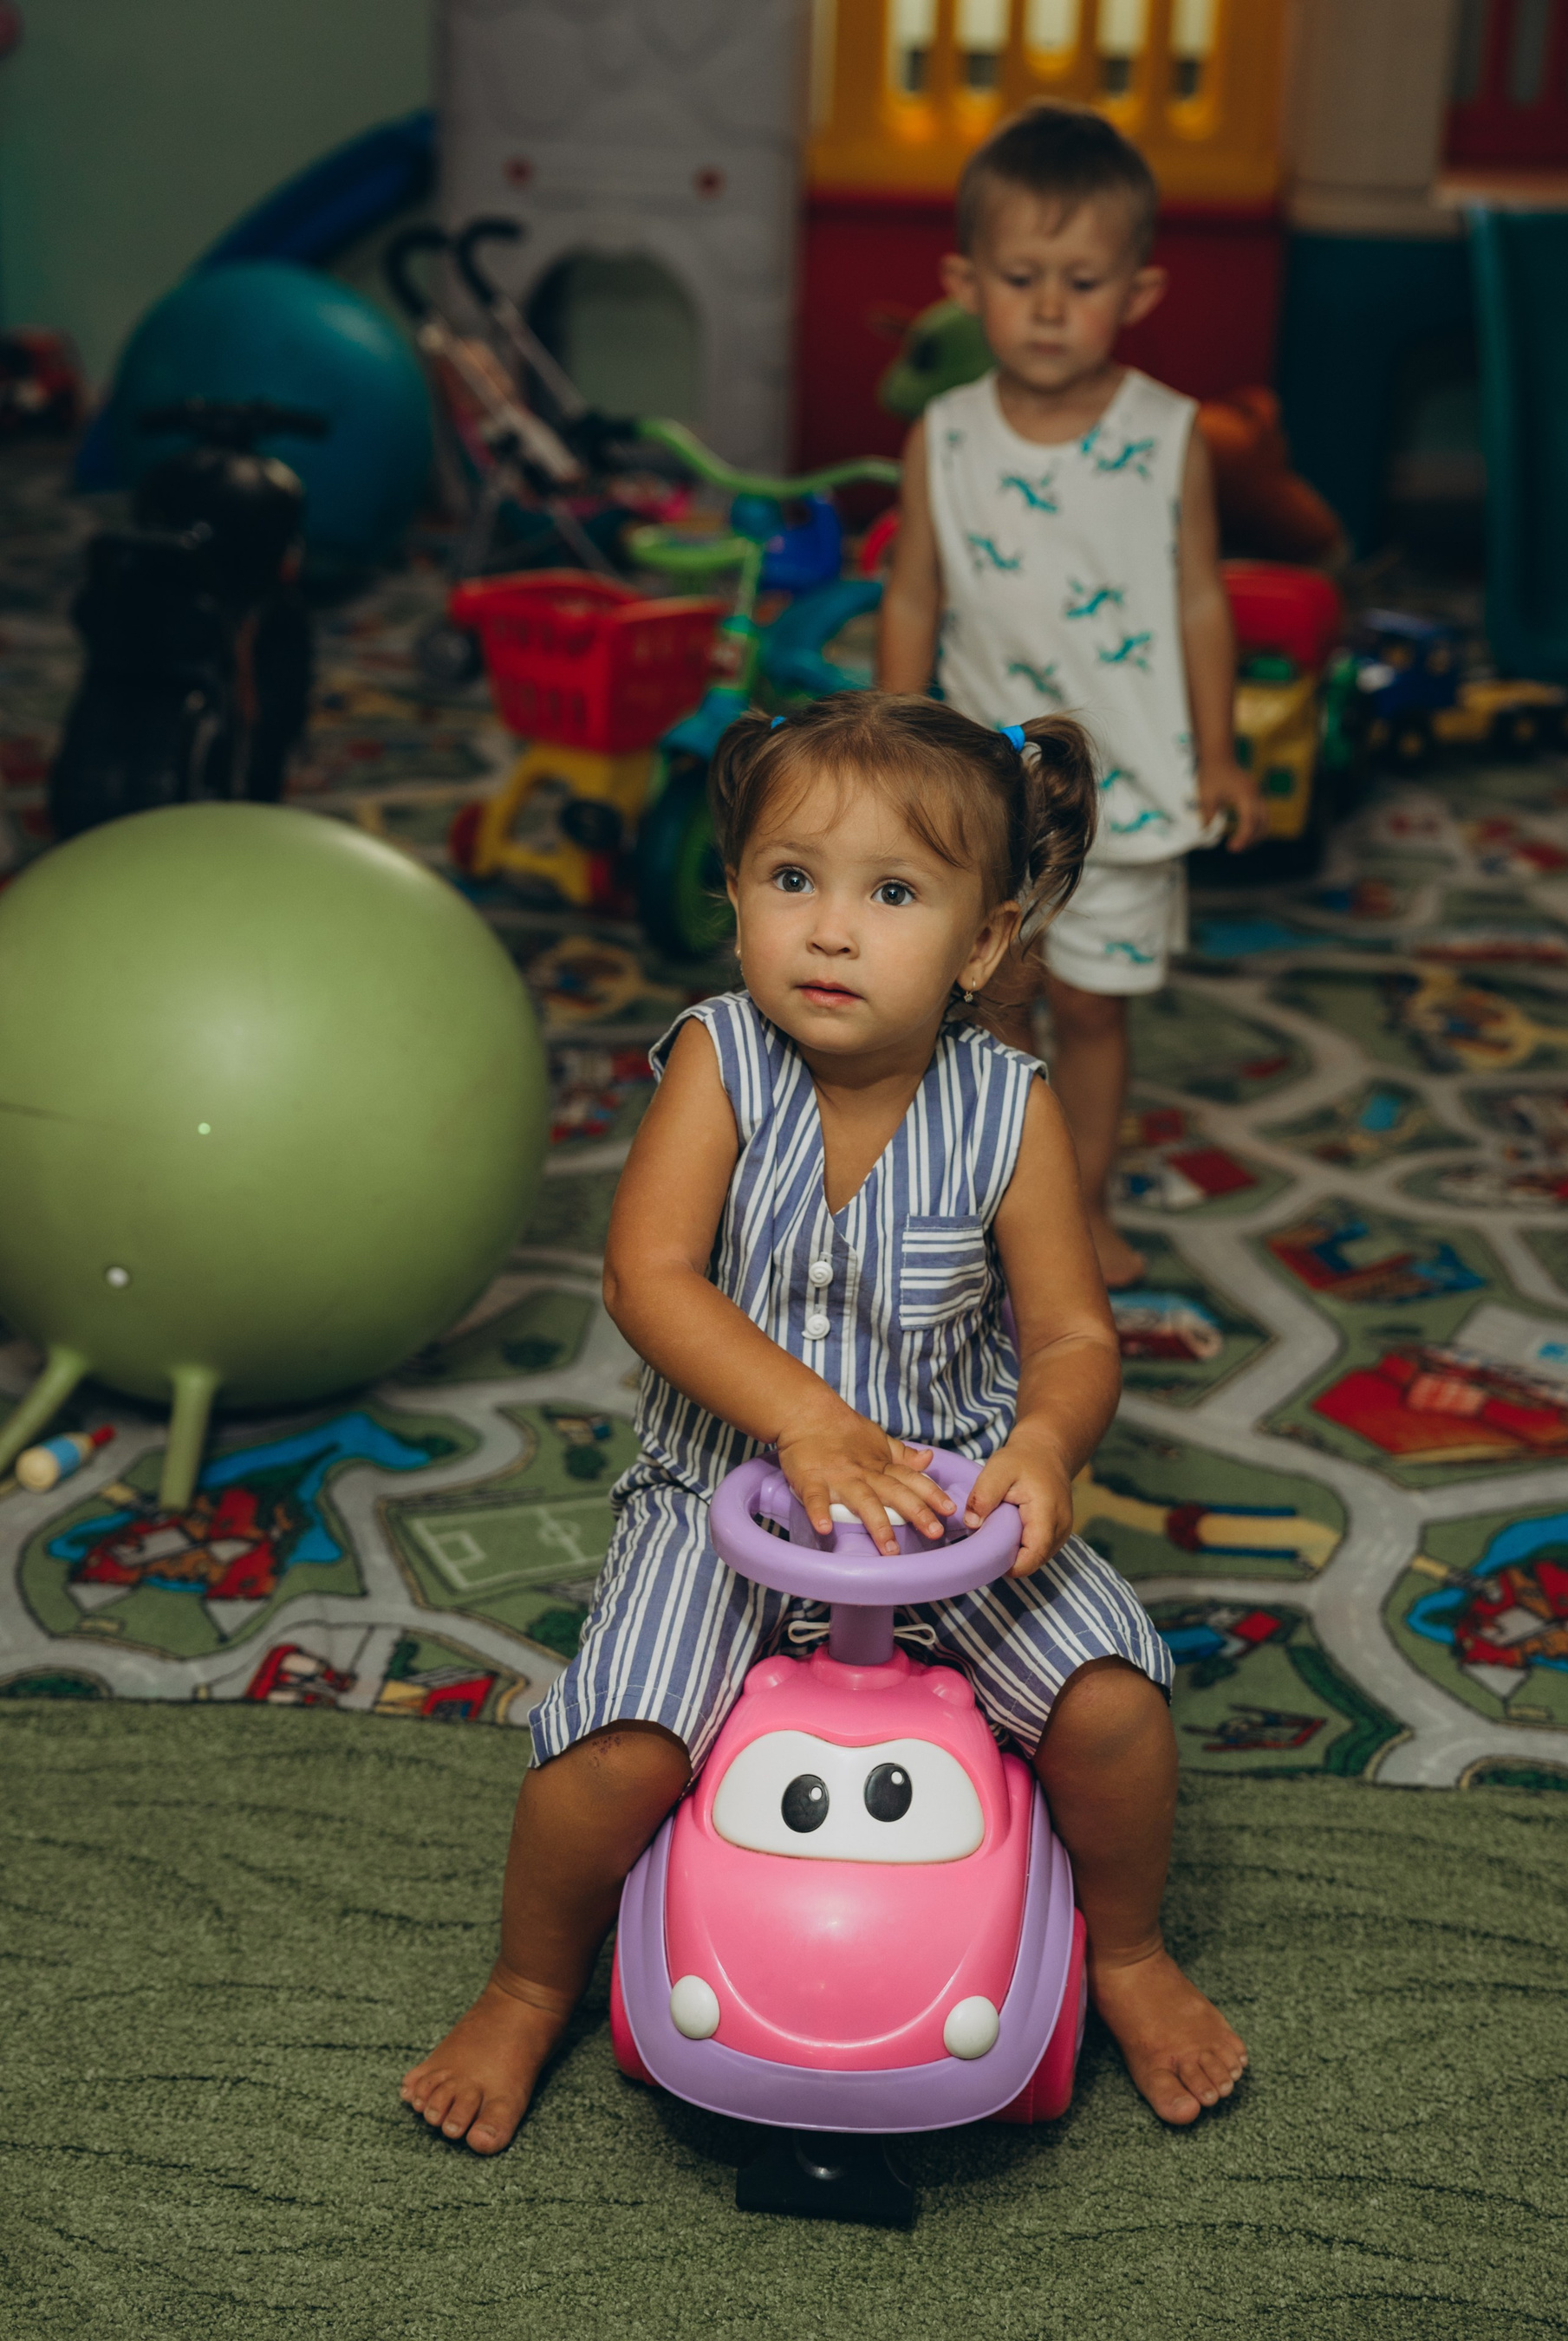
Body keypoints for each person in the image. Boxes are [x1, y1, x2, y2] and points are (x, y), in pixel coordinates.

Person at [402, 693, 1246, 2156]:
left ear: (984, 942)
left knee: (1115, 1710)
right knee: (610, 1759)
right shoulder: (718, 1060)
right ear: (735, 901)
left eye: (894, 894)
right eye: (793, 878)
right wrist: (801, 1419)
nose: (833, 930)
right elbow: (646, 1274)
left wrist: (1044, 1447)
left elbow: (1070, 1334)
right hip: (721, 1502)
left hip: (949, 1509)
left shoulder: (1011, 1108)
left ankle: (1128, 1952)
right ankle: (527, 1985)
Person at [877, 101, 1263, 1288]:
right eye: (1021, 278)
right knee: (996, 1005)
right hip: (988, 796)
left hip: (1128, 789)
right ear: (965, 285)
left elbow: (1200, 600)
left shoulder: (1170, 435)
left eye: (1083, 282)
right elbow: (912, 596)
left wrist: (1219, 752)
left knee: (1093, 1009)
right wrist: (889, 741)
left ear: (1137, 293)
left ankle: (1085, 1204)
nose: (1049, 308)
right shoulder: (944, 437)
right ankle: (1013, 1204)